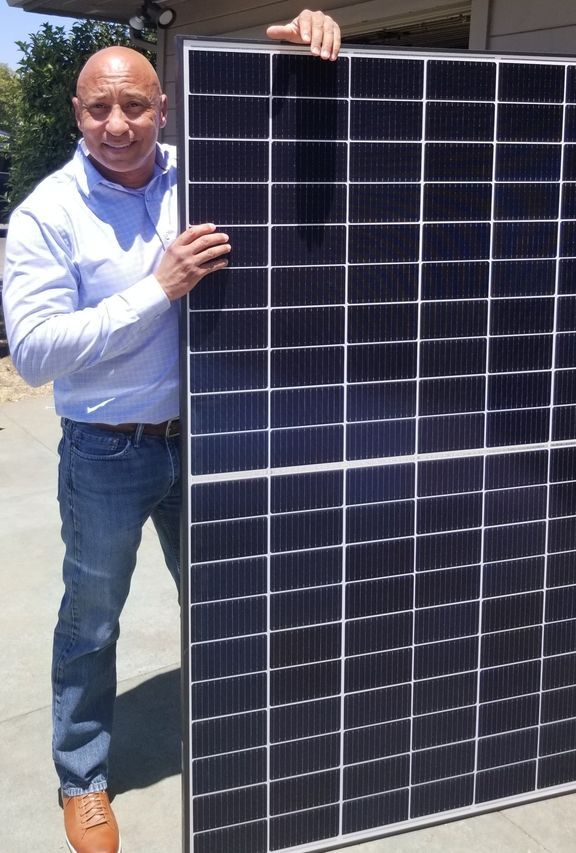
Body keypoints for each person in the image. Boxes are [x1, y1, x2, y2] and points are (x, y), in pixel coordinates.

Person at [2, 10, 341, 853]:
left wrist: (308, 52)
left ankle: (237, 745)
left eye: (137, 106)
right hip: (106, 449)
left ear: (165, 107)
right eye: (98, 109)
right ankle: (83, 776)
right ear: (76, 113)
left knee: (229, 602)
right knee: (92, 619)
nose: (118, 126)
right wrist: (157, 288)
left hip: (213, 439)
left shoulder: (208, 171)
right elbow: (37, 350)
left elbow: (302, 155)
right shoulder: (50, 213)